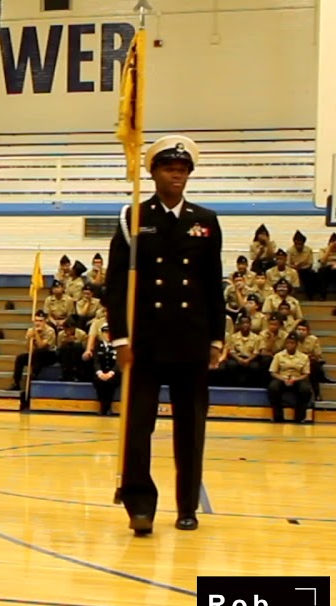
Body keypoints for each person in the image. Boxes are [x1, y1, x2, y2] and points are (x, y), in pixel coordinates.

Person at [106, 135, 224, 536]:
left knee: (191, 429)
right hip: (146, 343)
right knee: (138, 427)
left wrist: (216, 338)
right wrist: (120, 338)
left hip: (191, 340)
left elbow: (212, 283)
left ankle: (187, 505)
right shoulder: (133, 218)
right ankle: (140, 504)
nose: (177, 174)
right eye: (169, 168)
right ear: (152, 172)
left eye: (183, 169)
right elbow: (116, 284)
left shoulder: (205, 220)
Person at [268, 334, 312, 423]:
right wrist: (283, 379)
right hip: (282, 378)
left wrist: (296, 379)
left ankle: (299, 417)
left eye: (292, 343)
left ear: (296, 344)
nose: (290, 345)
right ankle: (278, 416)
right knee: (273, 387)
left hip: (297, 379)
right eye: (288, 343)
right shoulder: (278, 356)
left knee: (305, 389)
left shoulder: (304, 357)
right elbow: (273, 372)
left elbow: (306, 374)